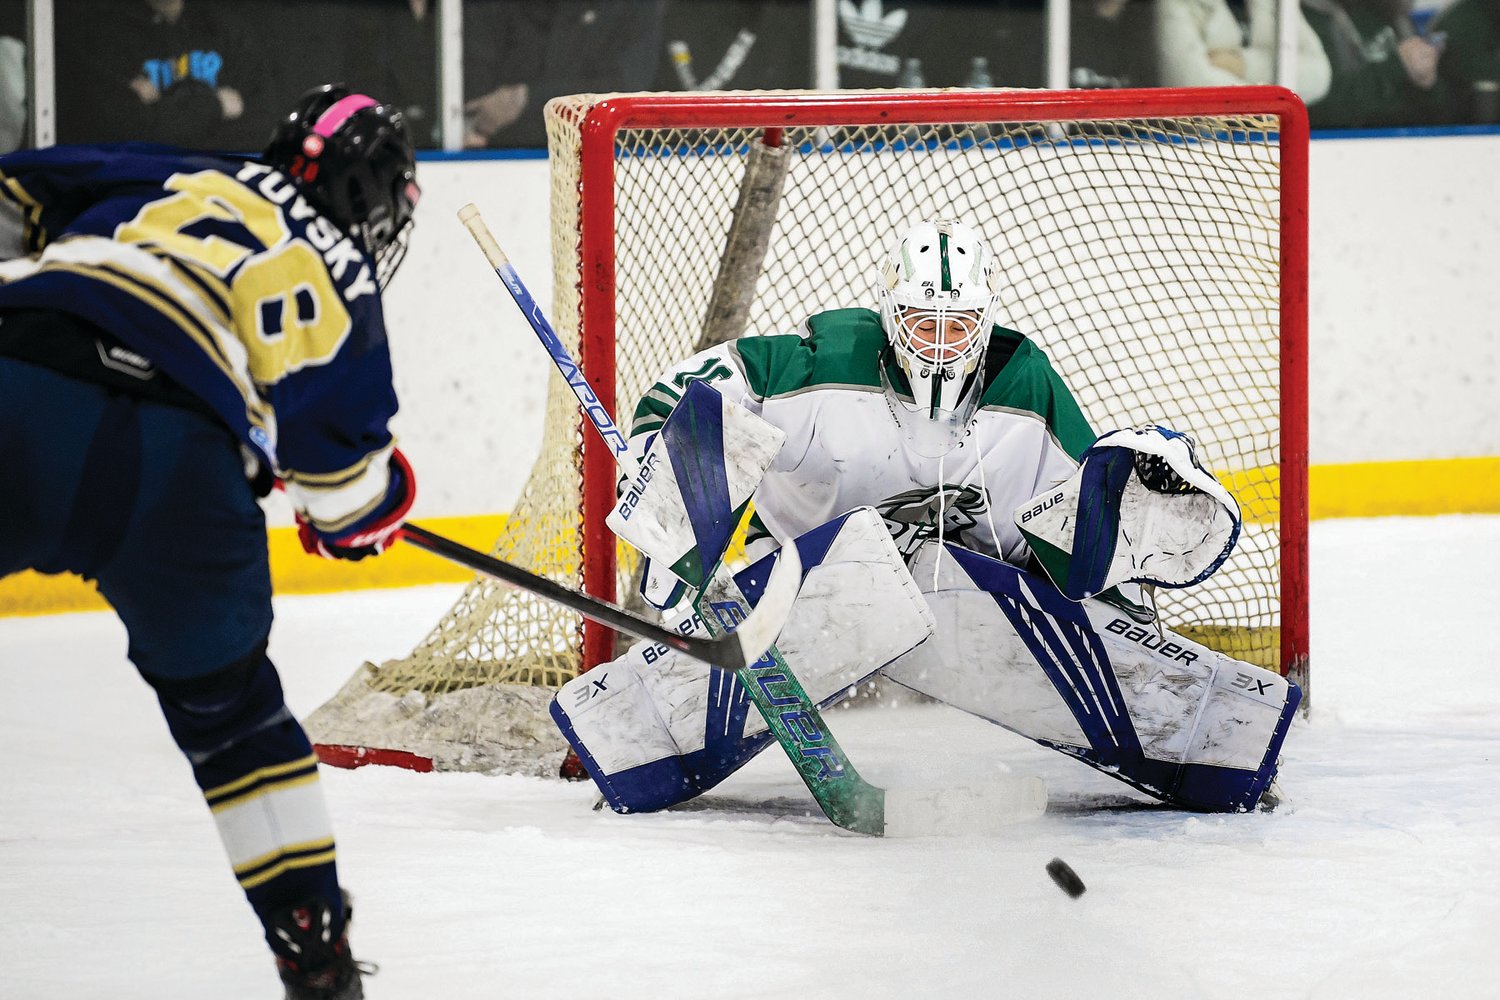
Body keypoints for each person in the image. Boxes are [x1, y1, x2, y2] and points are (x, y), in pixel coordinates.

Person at [551, 219, 1301, 819]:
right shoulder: (822, 359)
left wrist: (1130, 529)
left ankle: (1199, 743)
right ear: (890, 314)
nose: (940, 342)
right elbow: (687, 392)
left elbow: (1080, 543)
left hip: (967, 596)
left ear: (986, 320)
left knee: (983, 570)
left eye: (958, 325)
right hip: (814, 587)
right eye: (922, 322)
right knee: (863, 548)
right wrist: (672, 481)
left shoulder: (1024, 381)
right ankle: (634, 733)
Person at [0, 83, 420, 999]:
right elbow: (347, 502)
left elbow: (14, 197)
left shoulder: (184, 167)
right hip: (180, 469)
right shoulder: (347, 283)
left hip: (25, 376)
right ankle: (315, 954)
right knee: (236, 725)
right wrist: (368, 517)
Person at [54, 0, 269, 150]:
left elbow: (257, 126)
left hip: (218, 181)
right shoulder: (101, 33)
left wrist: (163, 110)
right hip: (140, 183)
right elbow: (126, 131)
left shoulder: (227, 28)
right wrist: (217, 105)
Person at [1301, 0, 1453, 127]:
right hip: (1343, 152)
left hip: (1409, 149)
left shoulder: (1394, 15)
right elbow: (1321, 110)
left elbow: (1441, 115)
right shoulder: (1308, 19)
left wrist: (1427, 85)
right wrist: (1396, 66)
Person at [1157, 0, 1332, 103]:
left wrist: (1243, 65)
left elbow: (1319, 74)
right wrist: (1272, 106)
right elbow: (1190, 85)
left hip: (1270, 143)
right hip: (1193, 145)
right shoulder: (1174, 4)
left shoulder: (1274, 3)